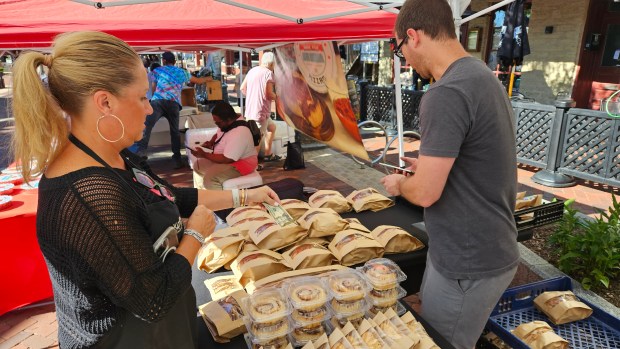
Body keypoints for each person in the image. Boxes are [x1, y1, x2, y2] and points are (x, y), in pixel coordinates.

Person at [10, 31, 279, 349]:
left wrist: (246, 196)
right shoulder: (86, 195)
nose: (150, 109)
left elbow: (171, 197)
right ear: (105, 102)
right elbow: (154, 298)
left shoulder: (113, 154)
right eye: (141, 98)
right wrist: (194, 235)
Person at [381, 1, 519, 348]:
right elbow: (478, 159)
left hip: (467, 261)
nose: (405, 62)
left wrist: (401, 183)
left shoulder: (446, 92)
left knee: (441, 342)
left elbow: (426, 193)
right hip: (483, 249)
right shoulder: (481, 76)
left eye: (400, 51)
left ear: (412, 36)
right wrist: (425, 168)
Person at [132, 51, 212, 169]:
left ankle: (141, 155)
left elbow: (153, 87)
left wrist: (154, 99)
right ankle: (177, 159)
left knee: (147, 126)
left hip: (158, 102)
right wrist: (209, 78)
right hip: (173, 103)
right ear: (174, 61)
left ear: (163, 61)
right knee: (174, 131)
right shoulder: (182, 72)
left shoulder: (158, 71)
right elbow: (198, 81)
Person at [191, 101, 258, 190]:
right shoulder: (226, 124)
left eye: (218, 123)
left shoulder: (239, 132)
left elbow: (226, 159)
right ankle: (201, 194)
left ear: (229, 119)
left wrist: (204, 154)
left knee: (210, 178)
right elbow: (218, 134)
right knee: (198, 166)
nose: (217, 125)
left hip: (241, 164)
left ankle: (220, 201)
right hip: (227, 158)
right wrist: (211, 142)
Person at [240, 51, 280, 163]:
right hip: (261, 111)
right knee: (257, 138)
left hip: (252, 110)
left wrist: (253, 96)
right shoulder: (268, 73)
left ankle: (268, 153)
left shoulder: (252, 70)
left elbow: (242, 88)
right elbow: (269, 94)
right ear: (271, 64)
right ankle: (253, 164)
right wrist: (279, 98)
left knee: (271, 128)